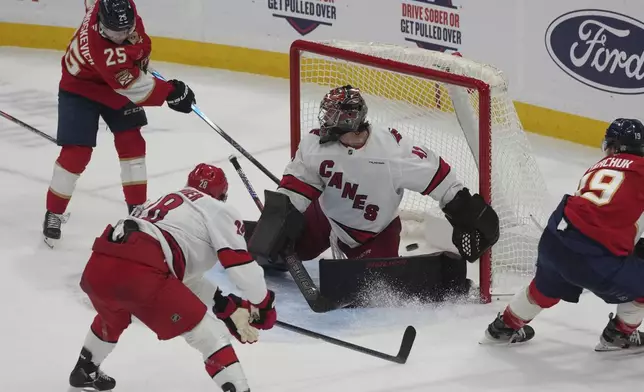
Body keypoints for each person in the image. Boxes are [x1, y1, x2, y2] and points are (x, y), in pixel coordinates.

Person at [248, 85, 499, 289]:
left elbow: (437, 175)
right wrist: (279, 218)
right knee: (288, 248)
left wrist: (463, 207)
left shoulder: (391, 151)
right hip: (328, 217)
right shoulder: (316, 145)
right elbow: (297, 186)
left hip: (374, 232)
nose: (325, 120)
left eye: (331, 114)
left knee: (377, 288)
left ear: (347, 119)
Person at [68, 163, 277, 392]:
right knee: (210, 336)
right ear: (222, 195)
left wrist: (222, 303)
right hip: (143, 269)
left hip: (101, 263)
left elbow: (174, 274)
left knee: (115, 309)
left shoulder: (161, 201)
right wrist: (264, 304)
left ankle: (85, 367)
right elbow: (241, 266)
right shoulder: (217, 208)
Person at [43, 0, 196, 247]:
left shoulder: (109, 6)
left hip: (115, 80)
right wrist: (171, 93)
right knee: (76, 154)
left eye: (126, 29)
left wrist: (147, 68)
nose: (122, 36)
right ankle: (54, 212)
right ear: (102, 25)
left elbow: (132, 54)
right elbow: (137, 88)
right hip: (80, 87)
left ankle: (137, 210)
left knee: (132, 142)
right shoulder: (103, 52)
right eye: (115, 32)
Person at [483, 118, 644, 352]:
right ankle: (619, 335)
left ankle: (502, 328)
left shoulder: (598, 166)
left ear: (614, 146)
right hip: (593, 257)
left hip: (555, 238)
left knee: (544, 288)